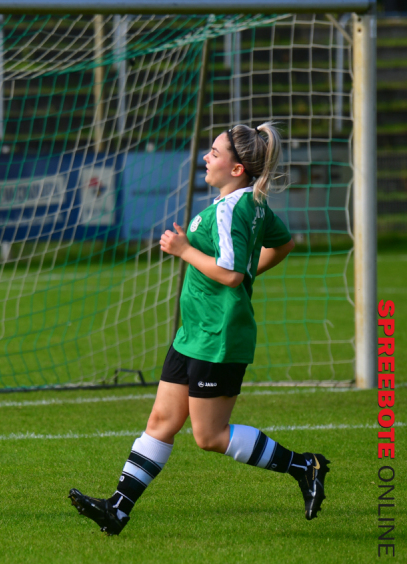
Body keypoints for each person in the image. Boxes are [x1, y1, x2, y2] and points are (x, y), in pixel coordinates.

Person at [68, 123, 330, 535]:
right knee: (161, 420)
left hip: (219, 336)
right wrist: (247, 271)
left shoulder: (231, 210)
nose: (205, 158)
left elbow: (228, 275)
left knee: (209, 435)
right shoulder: (251, 204)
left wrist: (185, 250)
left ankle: (305, 466)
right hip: (194, 332)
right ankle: (117, 509)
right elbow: (282, 243)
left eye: (214, 152)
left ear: (237, 168)